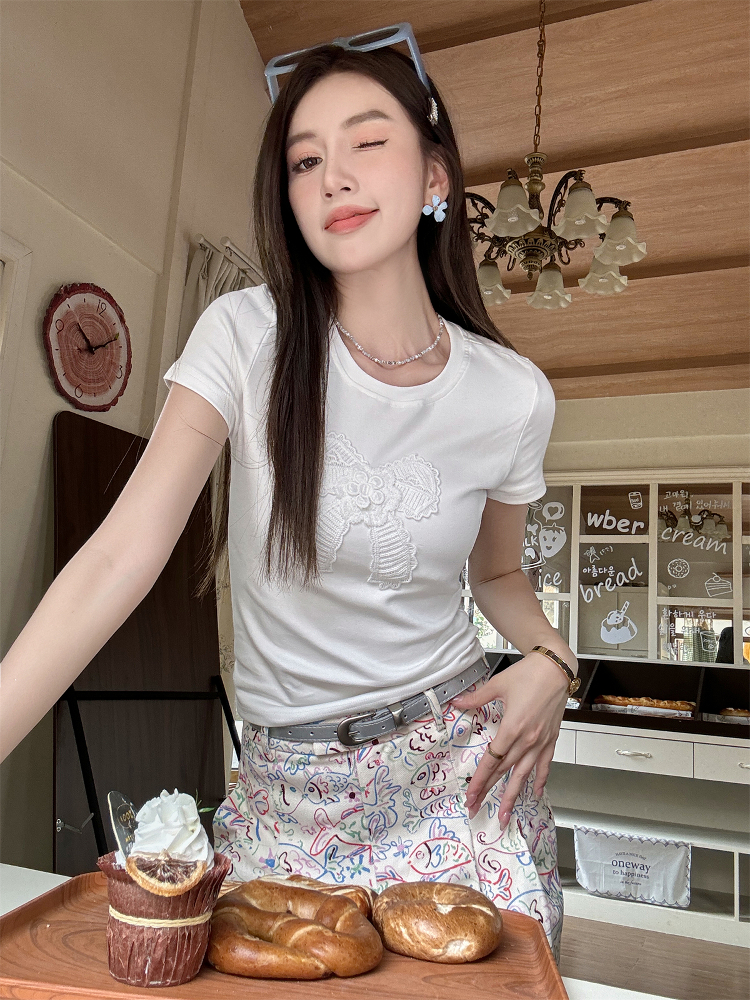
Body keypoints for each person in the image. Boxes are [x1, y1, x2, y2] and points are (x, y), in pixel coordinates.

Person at [0, 41, 576, 963]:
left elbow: (498, 575)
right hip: (284, 791)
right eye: (305, 160)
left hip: (455, 770)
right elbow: (116, 557)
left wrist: (554, 658)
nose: (333, 176)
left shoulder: (511, 394)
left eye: (366, 143)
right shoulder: (244, 335)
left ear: (435, 175)